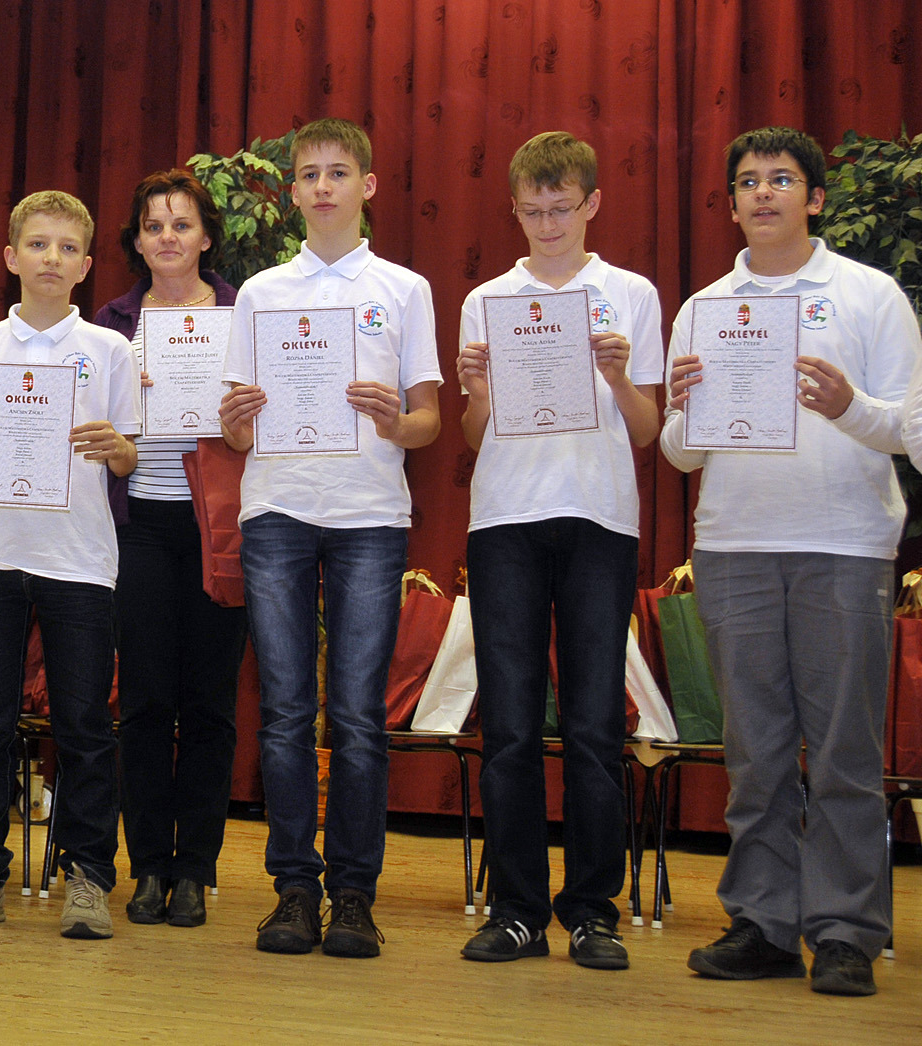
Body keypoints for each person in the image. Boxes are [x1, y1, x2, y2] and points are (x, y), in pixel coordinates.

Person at [671, 127, 918, 997]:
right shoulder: (705, 307)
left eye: (780, 179)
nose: (763, 193)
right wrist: (685, 410)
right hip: (733, 547)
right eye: (747, 181)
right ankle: (764, 923)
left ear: (813, 198)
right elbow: (680, 452)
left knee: (844, 751)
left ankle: (845, 933)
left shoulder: (870, 295)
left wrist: (849, 407)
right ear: (732, 202)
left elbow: (911, 428)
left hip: (844, 545)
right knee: (756, 751)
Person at [218, 118, 442, 958]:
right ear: (293, 190)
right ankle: (293, 890)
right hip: (276, 510)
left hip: (370, 517)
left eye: (337, 172)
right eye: (308, 173)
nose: (322, 186)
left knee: (357, 715)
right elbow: (236, 431)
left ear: (366, 186)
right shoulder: (261, 293)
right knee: (283, 713)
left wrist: (395, 419)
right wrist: (237, 420)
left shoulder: (404, 289)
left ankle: (353, 894)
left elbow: (428, 420)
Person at [454, 132, 662, 968]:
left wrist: (617, 378)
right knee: (508, 725)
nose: (548, 225)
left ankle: (592, 911)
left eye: (562, 209)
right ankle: (515, 910)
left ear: (592, 204)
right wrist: (478, 390)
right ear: (514, 210)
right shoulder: (487, 300)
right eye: (533, 211)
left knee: (593, 724)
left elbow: (647, 429)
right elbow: (474, 434)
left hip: (599, 518)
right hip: (505, 516)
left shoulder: (631, 294)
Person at [0, 191, 139, 939]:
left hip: (80, 558)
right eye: (38, 245)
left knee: (84, 723)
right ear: (11, 257)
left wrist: (119, 449)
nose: (52, 258)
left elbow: (129, 455)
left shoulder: (110, 350)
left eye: (67, 247)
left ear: (86, 264)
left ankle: (88, 878)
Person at [92, 169, 247, 928]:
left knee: (210, 704)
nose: (168, 238)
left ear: (206, 236)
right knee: (147, 701)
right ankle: (149, 866)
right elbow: (92, 427)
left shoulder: (244, 315)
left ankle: (196, 871)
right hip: (140, 526)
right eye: (153, 226)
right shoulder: (112, 324)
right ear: (137, 240)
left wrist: (240, 410)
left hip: (221, 527)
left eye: (181, 224)